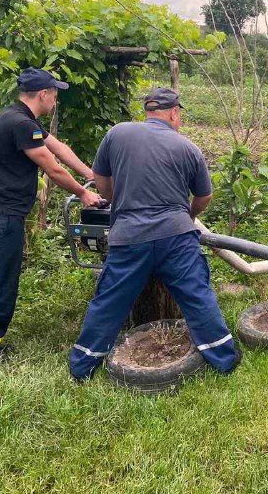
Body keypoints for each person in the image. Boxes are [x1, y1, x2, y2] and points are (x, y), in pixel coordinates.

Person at [68, 87, 240, 381]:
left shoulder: (117, 134)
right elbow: (204, 197)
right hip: (177, 237)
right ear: (174, 113)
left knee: (109, 300)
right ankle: (223, 359)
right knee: (198, 295)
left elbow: (100, 180)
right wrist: (189, 216)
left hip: (129, 237)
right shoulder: (187, 148)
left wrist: (118, 203)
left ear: (148, 111)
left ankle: (82, 365)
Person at [0, 67, 104, 360]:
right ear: (44, 94)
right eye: (55, 94)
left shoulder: (18, 116)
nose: (55, 100)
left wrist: (92, 174)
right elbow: (52, 167)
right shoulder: (21, 124)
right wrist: (83, 193)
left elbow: (60, 148)